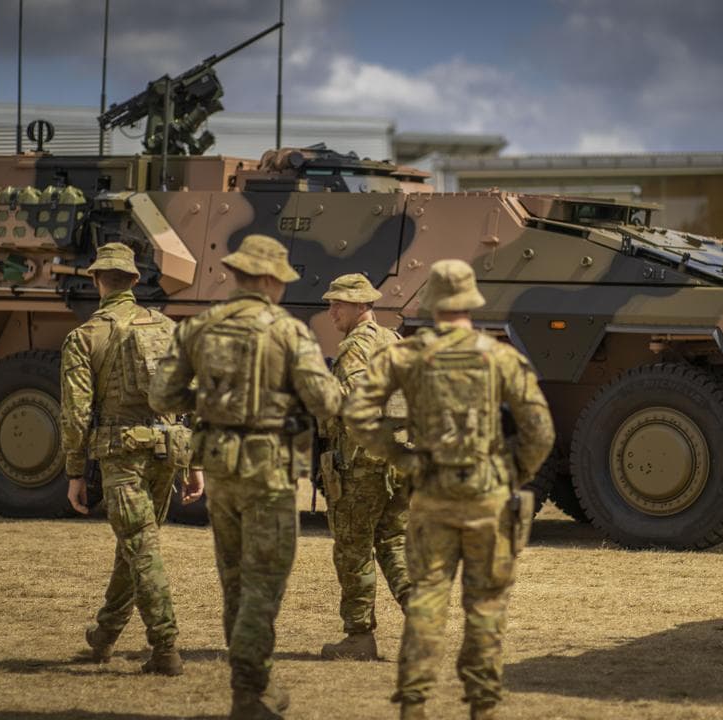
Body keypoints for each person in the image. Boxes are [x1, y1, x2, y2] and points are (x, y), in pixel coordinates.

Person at [344, 259, 555, 720]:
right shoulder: (500, 356)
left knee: (426, 602)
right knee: (485, 606)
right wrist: (512, 473)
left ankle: (414, 704)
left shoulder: (407, 355)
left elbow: (358, 413)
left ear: (433, 303)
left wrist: (401, 457)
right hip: (488, 496)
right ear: (471, 301)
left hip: (433, 493)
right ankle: (482, 706)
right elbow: (539, 429)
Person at [149, 234, 342, 720]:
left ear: (237, 275)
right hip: (268, 468)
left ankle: (253, 685)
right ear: (271, 280)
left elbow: (161, 395)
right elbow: (326, 402)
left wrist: (211, 405)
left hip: (218, 467)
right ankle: (250, 692)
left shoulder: (199, 326)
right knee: (264, 583)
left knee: (234, 580)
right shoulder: (287, 330)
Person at [59, 241, 202, 676]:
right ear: (136, 280)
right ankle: (103, 637)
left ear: (97, 280)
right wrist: (194, 464)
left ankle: (165, 647)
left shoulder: (85, 337)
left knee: (141, 546)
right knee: (134, 542)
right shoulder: (171, 329)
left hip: (121, 454)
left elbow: (76, 413)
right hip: (169, 451)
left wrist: (74, 471)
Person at [318, 273, 411, 661]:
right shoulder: (394, 340)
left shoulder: (355, 347)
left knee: (353, 549)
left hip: (362, 464)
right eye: (331, 302)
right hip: (397, 460)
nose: (332, 310)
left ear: (361, 306)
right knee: (393, 542)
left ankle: (359, 637)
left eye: (339, 303)